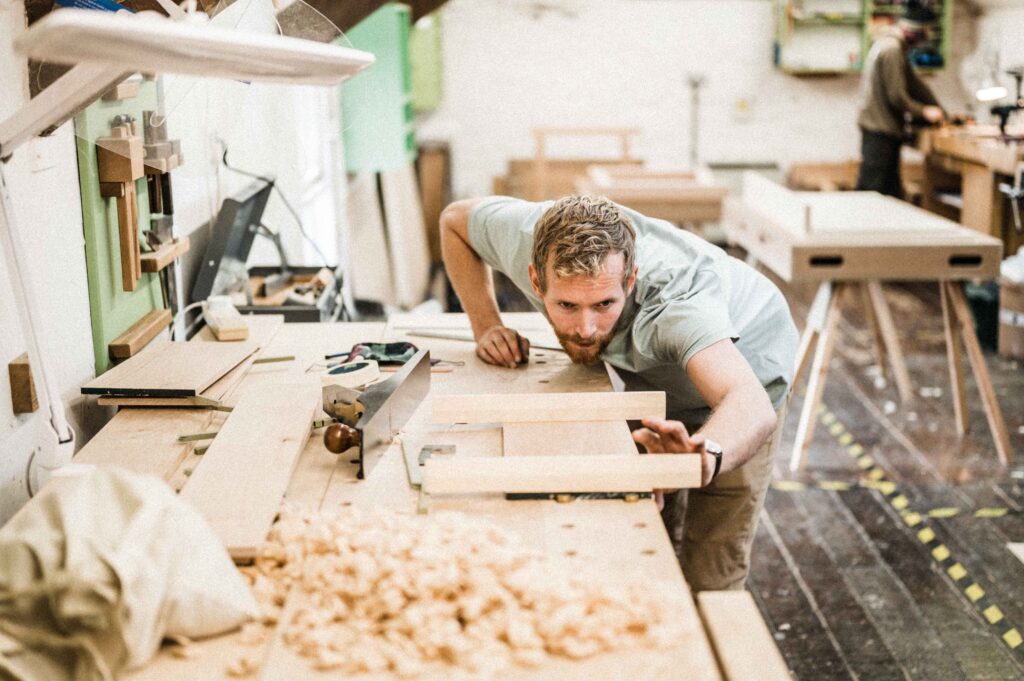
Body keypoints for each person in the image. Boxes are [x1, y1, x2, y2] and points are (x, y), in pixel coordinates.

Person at [440, 194, 799, 591]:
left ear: (629, 280)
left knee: (711, 569)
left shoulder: (677, 306)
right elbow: (454, 220)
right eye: (567, 305)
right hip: (658, 370)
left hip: (747, 362)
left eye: (603, 304)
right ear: (536, 279)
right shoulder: (523, 234)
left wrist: (705, 456)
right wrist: (487, 325)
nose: (586, 329)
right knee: (641, 535)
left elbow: (749, 404)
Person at [856, 0, 945, 198]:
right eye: (926, 32)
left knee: (889, 193)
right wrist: (925, 112)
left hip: (881, 129)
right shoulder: (892, 50)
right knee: (871, 192)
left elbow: (915, 85)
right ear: (916, 31)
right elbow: (896, 96)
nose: (927, 37)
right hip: (880, 130)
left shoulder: (891, 45)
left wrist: (940, 110)